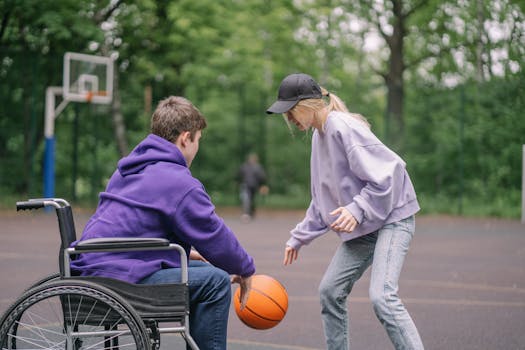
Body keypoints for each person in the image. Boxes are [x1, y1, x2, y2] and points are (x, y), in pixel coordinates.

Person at [71, 96, 255, 350]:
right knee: (216, 282)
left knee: (205, 271)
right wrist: (245, 268)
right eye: (198, 140)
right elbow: (213, 233)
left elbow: (133, 228)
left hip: (93, 269)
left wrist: (188, 253)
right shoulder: (178, 181)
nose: (197, 148)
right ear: (185, 138)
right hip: (117, 281)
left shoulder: (128, 169)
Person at [267, 73, 424, 350]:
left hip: (392, 218)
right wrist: (298, 237)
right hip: (367, 224)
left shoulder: (342, 126)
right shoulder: (318, 137)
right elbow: (322, 202)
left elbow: (391, 172)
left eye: (290, 111)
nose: (289, 119)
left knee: (383, 297)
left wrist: (357, 208)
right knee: (330, 291)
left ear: (307, 104)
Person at [237, 153, 268, 221]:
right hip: (247, 185)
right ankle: (247, 213)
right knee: (247, 199)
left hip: (252, 186)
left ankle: (250, 213)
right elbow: (262, 177)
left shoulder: (253, 167)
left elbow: (261, 177)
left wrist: (262, 185)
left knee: (250, 199)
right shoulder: (248, 166)